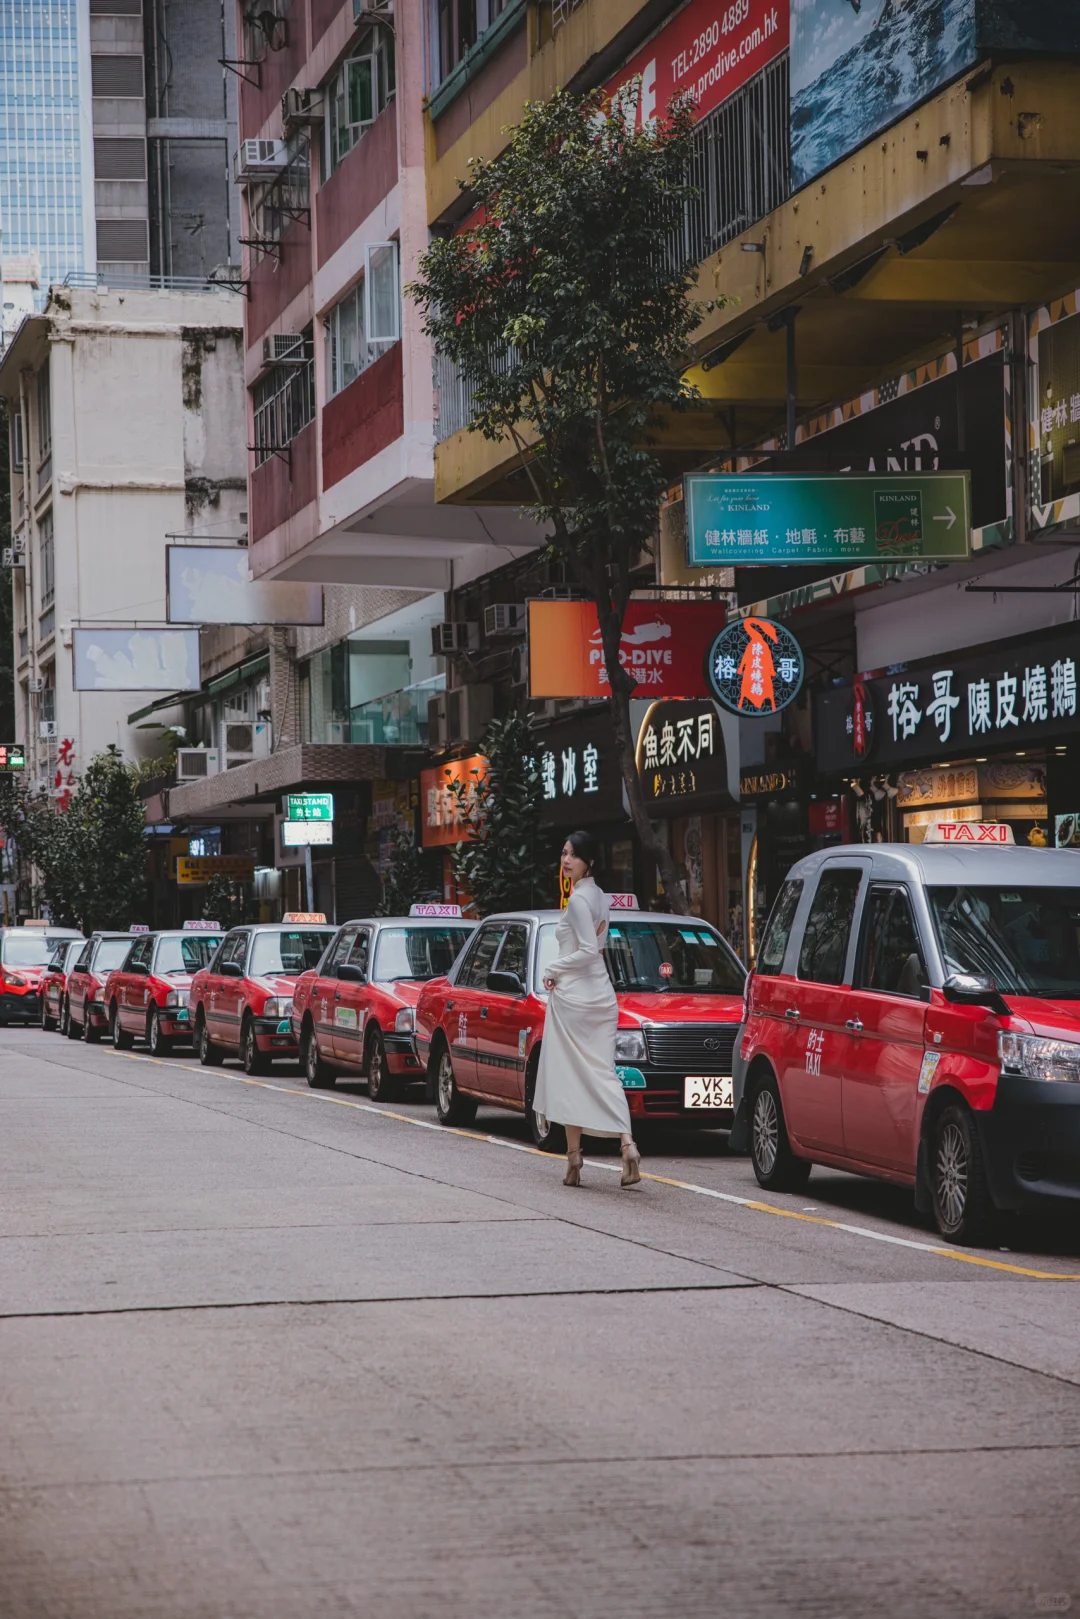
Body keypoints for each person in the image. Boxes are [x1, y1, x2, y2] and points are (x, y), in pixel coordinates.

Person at [533, 830, 642, 1189]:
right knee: (603, 1072)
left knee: (570, 1075)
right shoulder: (600, 897)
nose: (566, 860)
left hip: (576, 998)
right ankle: (627, 1147)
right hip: (601, 995)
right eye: (564, 853)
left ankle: (576, 1159)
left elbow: (585, 951)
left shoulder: (579, 901)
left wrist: (552, 969)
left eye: (574, 855)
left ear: (589, 861)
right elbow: (597, 948)